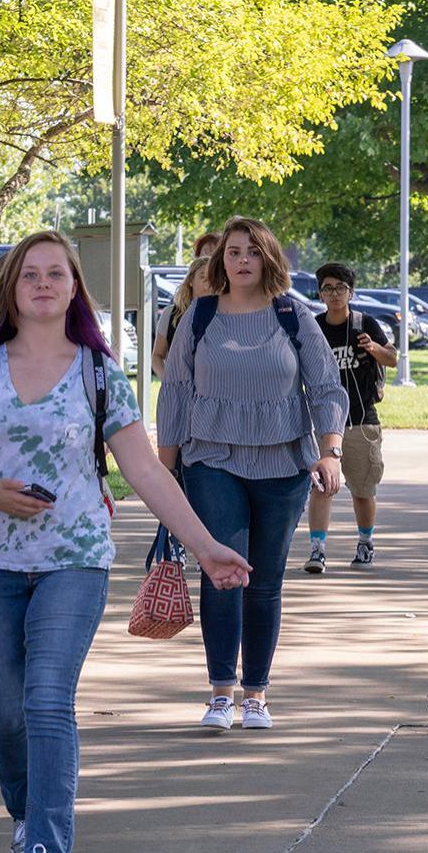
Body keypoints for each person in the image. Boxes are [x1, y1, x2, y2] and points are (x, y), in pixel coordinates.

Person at [0, 231, 249, 853]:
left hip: (74, 557)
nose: (43, 283)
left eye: (56, 273)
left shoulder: (99, 373)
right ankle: (26, 811)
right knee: (7, 711)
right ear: (11, 288)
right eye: (30, 275)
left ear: (75, 287)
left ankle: (46, 846)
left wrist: (205, 544)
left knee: (47, 698)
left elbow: (144, 472)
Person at [155, 216, 346, 732]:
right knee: (223, 575)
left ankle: (256, 694)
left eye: (252, 252)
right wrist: (165, 471)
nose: (242, 260)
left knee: (265, 582)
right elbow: (174, 393)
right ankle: (221, 693)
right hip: (211, 462)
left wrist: (330, 451)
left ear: (268, 259)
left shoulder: (293, 316)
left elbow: (326, 387)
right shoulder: (200, 315)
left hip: (283, 466)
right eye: (234, 252)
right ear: (221, 260)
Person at [303, 263, 397, 572]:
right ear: (320, 293)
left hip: (361, 421)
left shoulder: (363, 322)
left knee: (362, 489)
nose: (333, 294)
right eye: (327, 288)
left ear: (350, 291)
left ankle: (365, 543)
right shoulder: (313, 326)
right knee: (321, 487)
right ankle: (317, 550)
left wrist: (372, 348)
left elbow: (392, 358)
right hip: (324, 423)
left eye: (339, 288)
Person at [150, 231, 221, 373]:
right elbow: (157, 356)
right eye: (206, 255)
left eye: (216, 257)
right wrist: (169, 383)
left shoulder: (231, 311)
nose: (210, 262)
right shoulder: (173, 313)